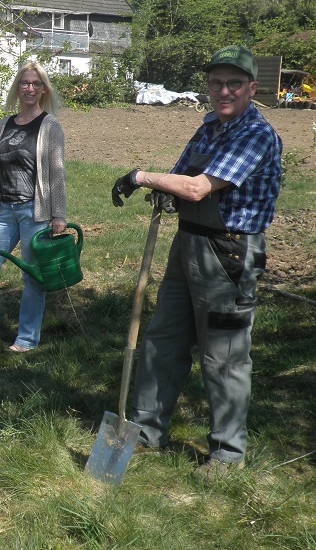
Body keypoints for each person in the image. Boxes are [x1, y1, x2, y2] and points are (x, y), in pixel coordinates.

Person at [110, 45, 283, 481]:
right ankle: (147, 430)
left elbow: (196, 188)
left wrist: (140, 177)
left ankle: (227, 455)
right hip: (187, 245)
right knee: (162, 340)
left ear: (251, 88)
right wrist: (161, 188)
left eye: (233, 84)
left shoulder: (256, 135)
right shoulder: (208, 128)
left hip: (228, 255)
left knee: (223, 357)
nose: (223, 91)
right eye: (216, 83)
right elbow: (180, 176)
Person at [0, 61, 68, 352]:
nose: (30, 88)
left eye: (36, 84)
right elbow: (0, 159)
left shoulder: (49, 126)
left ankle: (26, 339)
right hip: (6, 211)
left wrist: (58, 214)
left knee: (32, 276)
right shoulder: (6, 123)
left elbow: (56, 171)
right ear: (18, 87)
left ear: (43, 90)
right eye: (25, 83)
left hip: (34, 211)